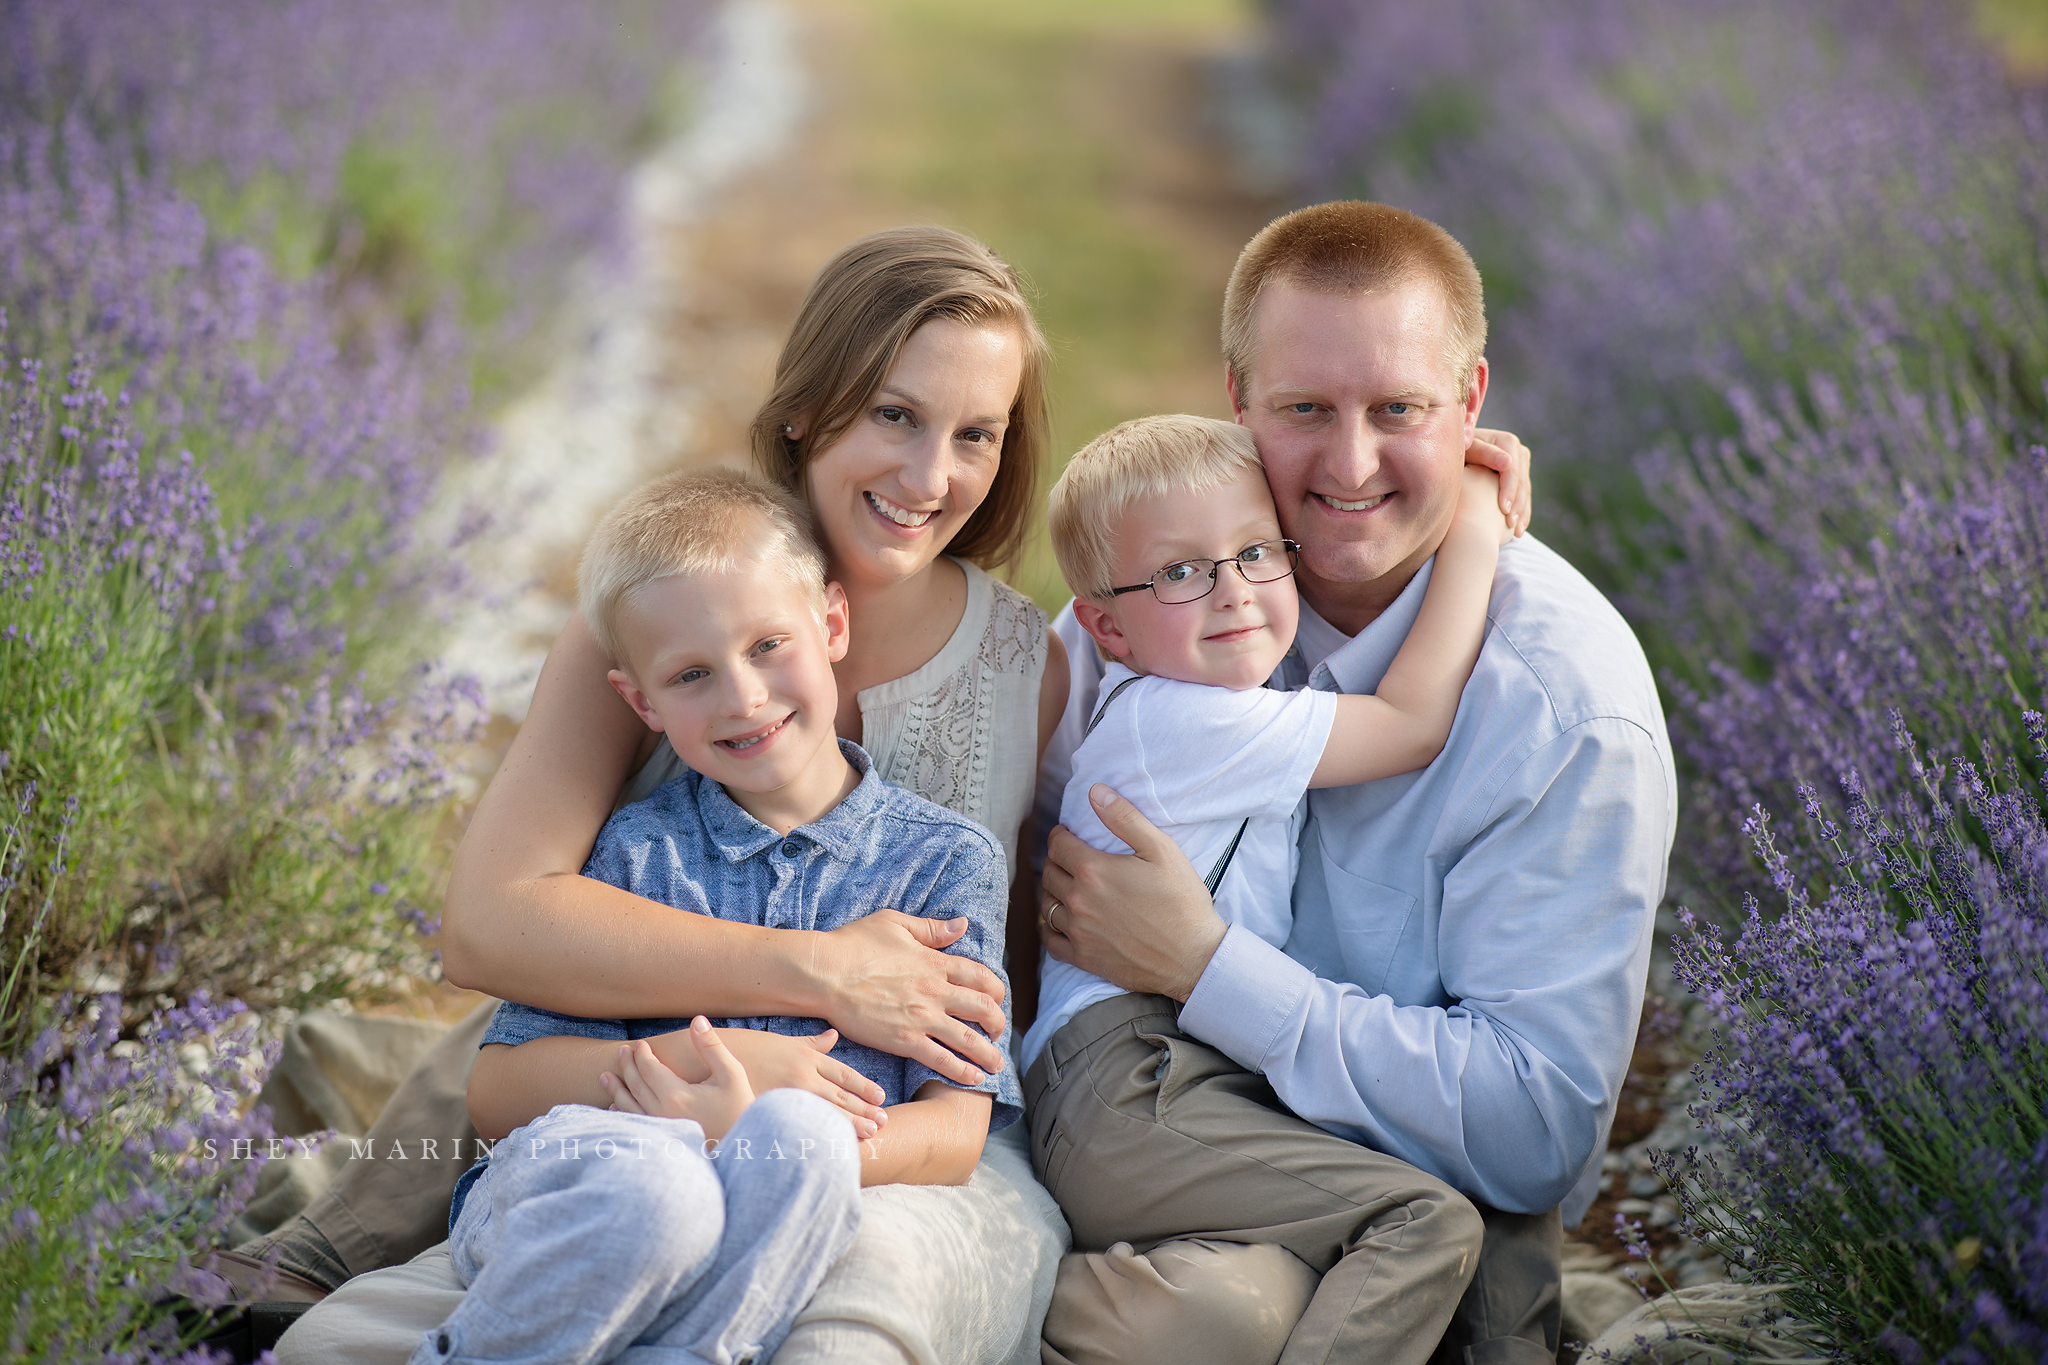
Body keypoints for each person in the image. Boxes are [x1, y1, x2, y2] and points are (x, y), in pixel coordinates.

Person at [273, 225, 1073, 1365]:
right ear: (807, 407)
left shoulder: (1018, 668)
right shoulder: (658, 611)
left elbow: (994, 1015)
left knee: (851, 1316)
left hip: (887, 1140)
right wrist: (819, 975)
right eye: (892, 414)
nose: (929, 474)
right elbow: (490, 924)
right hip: (637, 1103)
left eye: (975, 435)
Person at [1032, 201, 1676, 1365]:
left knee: (1235, 1321)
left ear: (1471, 403)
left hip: (1409, 1192)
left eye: (1398, 410)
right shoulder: (1164, 603)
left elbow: (1531, 1128)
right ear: (1236, 401)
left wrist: (1204, 967)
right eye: (1301, 410)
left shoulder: (1561, 707)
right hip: (1170, 1139)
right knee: (1206, 1319)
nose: (1348, 462)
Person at [412, 468, 1019, 1365]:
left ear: (832, 625)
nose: (741, 696)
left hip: (782, 1191)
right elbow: (500, 1092)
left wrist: (752, 1130)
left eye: (768, 644)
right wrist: (701, 1077)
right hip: (598, 1177)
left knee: (802, 1136)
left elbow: (958, 1128)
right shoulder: (634, 854)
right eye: (692, 674)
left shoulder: (945, 864)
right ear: (642, 704)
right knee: (665, 1188)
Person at [1020, 412, 1512, 1361]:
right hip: (1128, 1085)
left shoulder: (1205, 702)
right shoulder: (1185, 721)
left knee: (1422, 1204)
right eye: (1179, 571)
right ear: (1106, 627)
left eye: (1255, 551)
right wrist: (1475, 516)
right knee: (1428, 1222)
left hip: (1171, 1078)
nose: (1232, 592)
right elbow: (1411, 721)